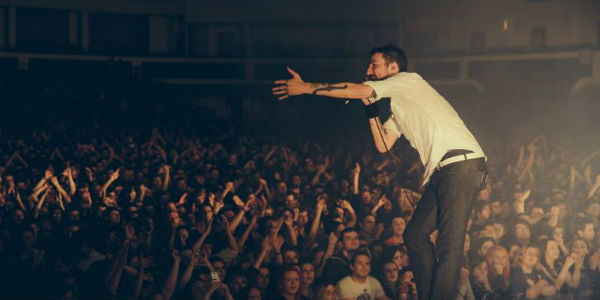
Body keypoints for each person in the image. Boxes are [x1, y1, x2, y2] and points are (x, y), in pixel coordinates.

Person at [272, 44, 487, 299]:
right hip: (444, 172)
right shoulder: (399, 104)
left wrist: (307, 87)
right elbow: (383, 144)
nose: (367, 70)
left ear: (393, 68)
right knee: (415, 235)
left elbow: (358, 88)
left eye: (374, 64)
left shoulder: (408, 81)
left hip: (461, 165)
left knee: (449, 243)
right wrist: (370, 107)